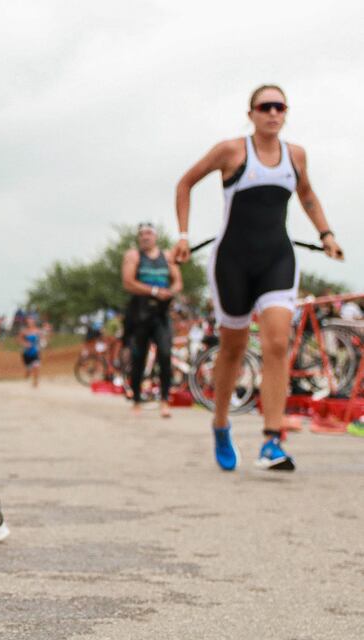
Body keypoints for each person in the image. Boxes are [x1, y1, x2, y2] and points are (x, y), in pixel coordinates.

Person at [174, 84, 344, 472]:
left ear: (286, 112)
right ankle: (220, 422)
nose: (273, 113)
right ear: (250, 113)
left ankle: (271, 441)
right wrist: (182, 236)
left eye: (279, 106)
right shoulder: (231, 151)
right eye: (265, 106)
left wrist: (326, 235)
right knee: (232, 348)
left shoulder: (296, 155)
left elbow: (307, 194)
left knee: (278, 343)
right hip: (232, 262)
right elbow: (185, 183)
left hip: (277, 260)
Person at [122, 222, 182, 418]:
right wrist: (154, 291)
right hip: (140, 313)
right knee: (138, 357)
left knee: (165, 355)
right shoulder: (133, 256)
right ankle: (137, 400)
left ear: (155, 236)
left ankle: (165, 400)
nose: (145, 237)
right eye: (142, 234)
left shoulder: (167, 257)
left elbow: (178, 282)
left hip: (161, 314)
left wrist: (169, 292)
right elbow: (128, 282)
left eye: (149, 233)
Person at [17, 315, 42, 388]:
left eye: (31, 321)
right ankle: (26, 378)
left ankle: (35, 382)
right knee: (28, 370)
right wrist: (25, 343)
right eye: (28, 321)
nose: (30, 322)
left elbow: (41, 340)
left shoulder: (37, 331)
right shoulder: (24, 331)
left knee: (36, 366)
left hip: (35, 352)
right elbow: (19, 340)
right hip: (26, 353)